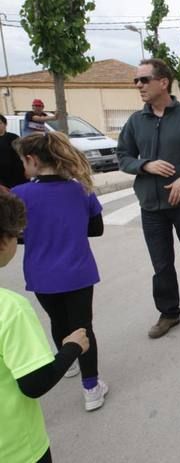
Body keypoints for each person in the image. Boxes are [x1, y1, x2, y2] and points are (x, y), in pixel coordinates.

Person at [117, 58, 180, 338]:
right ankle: (168, 313)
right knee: (161, 265)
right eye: (136, 81)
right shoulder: (136, 121)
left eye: (143, 80)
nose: (138, 85)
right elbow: (122, 157)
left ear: (163, 82)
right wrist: (145, 165)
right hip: (151, 207)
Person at [12, 132, 109, 411]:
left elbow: (15, 234)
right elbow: (96, 229)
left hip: (41, 275)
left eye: (22, 161)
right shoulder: (81, 189)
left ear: (31, 160)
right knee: (83, 327)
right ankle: (92, 389)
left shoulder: (20, 194)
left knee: (58, 320)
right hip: (78, 272)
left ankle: (67, 363)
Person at [0, 191, 91, 463]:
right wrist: (72, 347)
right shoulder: (9, 309)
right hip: (16, 448)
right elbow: (34, 382)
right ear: (3, 241)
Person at [0, 114, 27, 191]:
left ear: (5, 124)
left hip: (16, 173)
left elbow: (21, 152)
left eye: (0, 123)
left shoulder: (13, 137)